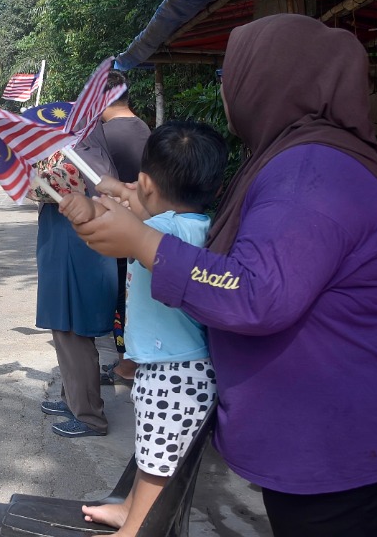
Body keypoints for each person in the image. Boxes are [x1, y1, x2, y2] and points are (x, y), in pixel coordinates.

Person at [70, 14, 377, 537]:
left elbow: (257, 291)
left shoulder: (311, 171)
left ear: (269, 80)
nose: (227, 90)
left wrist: (144, 242)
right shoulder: (304, 156)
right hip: (343, 434)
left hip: (343, 444)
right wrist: (146, 221)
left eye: (228, 76)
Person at [59, 120, 228, 536]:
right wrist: (119, 188)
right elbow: (131, 200)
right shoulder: (201, 227)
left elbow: (108, 222)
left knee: (156, 463)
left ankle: (134, 529)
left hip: (172, 371)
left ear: (147, 183)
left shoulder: (157, 231)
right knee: (152, 451)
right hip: (185, 365)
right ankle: (128, 509)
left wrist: (81, 206)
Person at [36, 125, 119, 438]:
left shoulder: (79, 156)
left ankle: (89, 416)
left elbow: (42, 187)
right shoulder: (84, 151)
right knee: (65, 327)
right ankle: (72, 399)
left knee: (74, 330)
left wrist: (18, 167)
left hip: (74, 249)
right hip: (65, 246)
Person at [98, 70, 152, 382]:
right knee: (138, 296)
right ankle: (132, 360)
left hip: (120, 231)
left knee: (122, 299)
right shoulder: (145, 129)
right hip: (150, 225)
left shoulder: (104, 137)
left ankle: (127, 365)